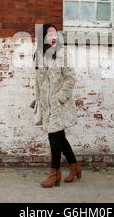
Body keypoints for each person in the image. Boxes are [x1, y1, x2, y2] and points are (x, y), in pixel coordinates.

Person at [33, 23, 82, 188]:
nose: (53, 36)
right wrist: (38, 99)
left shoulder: (63, 53)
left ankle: (55, 173)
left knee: (54, 136)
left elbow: (71, 77)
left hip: (59, 103)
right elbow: (38, 80)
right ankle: (75, 166)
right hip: (46, 103)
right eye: (49, 33)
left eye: (55, 33)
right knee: (59, 136)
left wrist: (61, 97)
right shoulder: (39, 55)